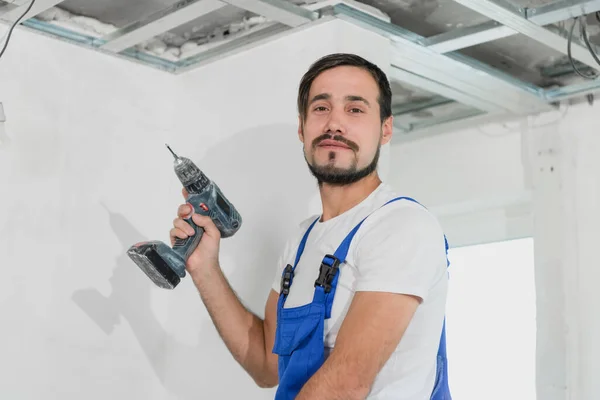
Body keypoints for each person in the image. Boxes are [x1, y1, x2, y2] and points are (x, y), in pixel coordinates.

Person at [169, 53, 451, 400]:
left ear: (386, 129)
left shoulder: (401, 225)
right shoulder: (302, 240)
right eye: (321, 108)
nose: (335, 124)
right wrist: (205, 268)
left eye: (355, 109)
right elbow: (264, 363)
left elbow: (346, 384)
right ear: (302, 129)